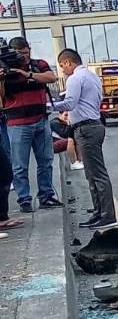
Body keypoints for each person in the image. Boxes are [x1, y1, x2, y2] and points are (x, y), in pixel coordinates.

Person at [51, 49, 116, 229]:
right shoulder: (92, 76)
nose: (62, 70)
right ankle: (98, 212)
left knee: (97, 174)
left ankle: (107, 215)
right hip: (93, 125)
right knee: (92, 173)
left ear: (68, 62)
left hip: (86, 128)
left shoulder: (74, 78)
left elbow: (70, 103)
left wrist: (49, 106)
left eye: (62, 66)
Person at [0, 37, 63, 213]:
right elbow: (2, 97)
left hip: (41, 121)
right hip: (17, 124)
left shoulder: (38, 65)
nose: (23, 57)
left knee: (46, 161)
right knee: (19, 166)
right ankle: (24, 199)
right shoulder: (5, 70)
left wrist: (27, 74)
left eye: (26, 53)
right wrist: (2, 78)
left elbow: (51, 77)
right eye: (19, 54)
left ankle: (46, 196)